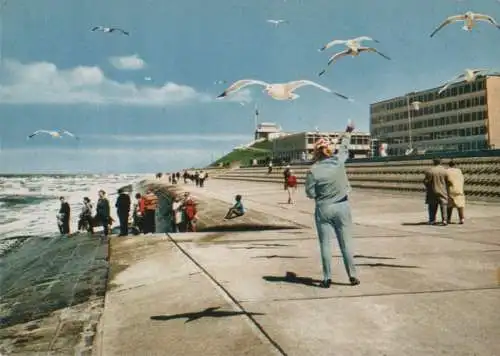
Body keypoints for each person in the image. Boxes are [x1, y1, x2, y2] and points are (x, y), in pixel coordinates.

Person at [304, 120, 360, 288]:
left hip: (323, 208)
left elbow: (310, 193)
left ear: (316, 152)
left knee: (325, 244)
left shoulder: (313, 170)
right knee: (346, 243)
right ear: (329, 150)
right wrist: (348, 131)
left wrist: (321, 195)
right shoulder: (338, 161)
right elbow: (344, 146)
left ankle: (327, 278)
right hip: (342, 206)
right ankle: (353, 276)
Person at [424, 158, 450, 225]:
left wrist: (427, 185)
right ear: (440, 162)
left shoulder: (430, 171)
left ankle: (432, 220)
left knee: (432, 206)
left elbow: (427, 181)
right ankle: (444, 220)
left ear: (433, 162)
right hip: (442, 190)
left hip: (432, 190)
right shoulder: (445, 171)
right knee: (443, 205)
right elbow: (448, 181)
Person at [446, 160, 466, 224]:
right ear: (455, 165)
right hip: (459, 190)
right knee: (460, 206)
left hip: (450, 190)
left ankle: (448, 219)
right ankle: (462, 219)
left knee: (449, 206)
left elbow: (446, 180)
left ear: (449, 165)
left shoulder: (447, 171)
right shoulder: (459, 171)